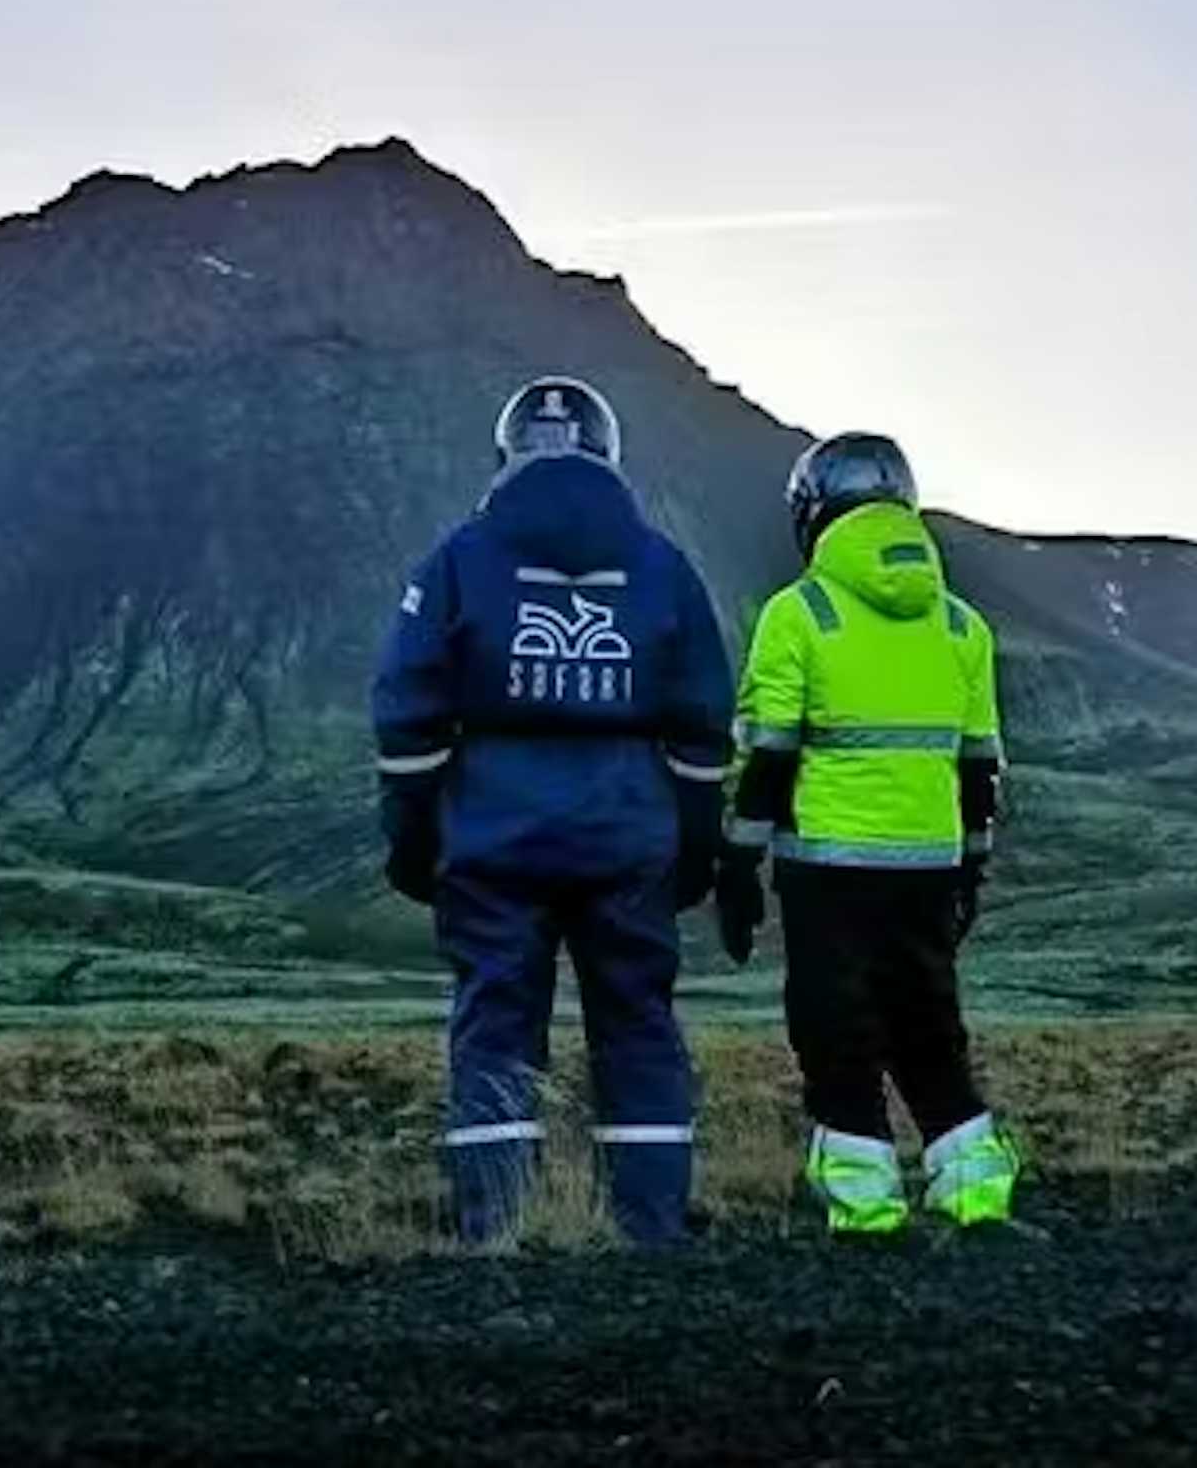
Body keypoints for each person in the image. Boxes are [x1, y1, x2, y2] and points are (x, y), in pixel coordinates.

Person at [373, 376, 735, 1247]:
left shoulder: (458, 559)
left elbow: (405, 707)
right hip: (627, 839)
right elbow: (702, 721)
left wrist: (416, 836)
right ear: (610, 453)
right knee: (637, 1023)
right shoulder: (663, 567)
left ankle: (498, 1228)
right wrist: (692, 848)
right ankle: (651, 1232)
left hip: (493, 842)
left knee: (495, 1023)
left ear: (505, 456)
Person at [714, 431, 1024, 1236]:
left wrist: (741, 860)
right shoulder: (963, 628)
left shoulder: (799, 614)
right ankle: (975, 1191)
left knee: (836, 1028)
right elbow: (979, 769)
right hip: (928, 866)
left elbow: (768, 754)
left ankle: (864, 1206)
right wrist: (971, 873)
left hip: (828, 870)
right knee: (930, 1026)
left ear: (813, 514)